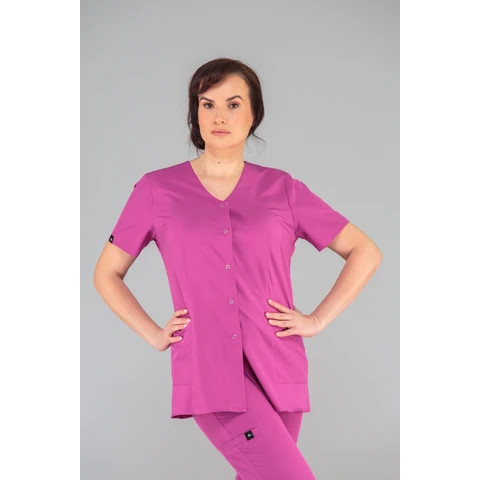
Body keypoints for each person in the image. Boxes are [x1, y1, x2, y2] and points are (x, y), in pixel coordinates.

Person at [93, 57, 382, 479]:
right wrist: (154, 334)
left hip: (279, 367)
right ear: (194, 113)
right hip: (208, 370)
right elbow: (106, 274)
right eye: (207, 104)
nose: (219, 117)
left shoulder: (282, 189)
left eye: (233, 104)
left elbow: (364, 250)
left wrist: (317, 319)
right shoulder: (157, 190)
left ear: (253, 113)